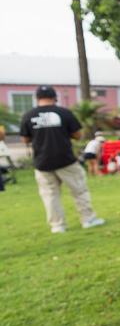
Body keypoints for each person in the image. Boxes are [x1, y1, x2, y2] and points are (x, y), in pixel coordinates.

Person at [20, 86, 105, 233]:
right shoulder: (63, 113)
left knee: (50, 195)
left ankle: (58, 226)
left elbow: (25, 139)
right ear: (55, 98)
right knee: (79, 190)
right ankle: (88, 219)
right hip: (65, 159)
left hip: (42, 162)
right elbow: (77, 135)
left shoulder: (28, 115)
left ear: (36, 98)